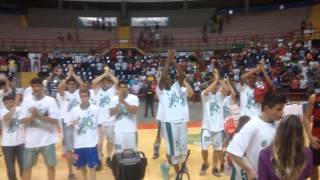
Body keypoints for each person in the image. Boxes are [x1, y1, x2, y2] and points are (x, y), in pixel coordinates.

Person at [226, 92, 286, 180]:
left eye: (282, 109)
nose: (282, 112)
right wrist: (249, 170)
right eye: (279, 109)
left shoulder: (278, 125)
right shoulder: (253, 125)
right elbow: (233, 150)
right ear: (266, 109)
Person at [20, 77, 60, 180]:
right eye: (33, 86)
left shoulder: (50, 101)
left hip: (47, 140)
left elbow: (55, 121)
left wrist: (38, 116)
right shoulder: (26, 101)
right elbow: (22, 121)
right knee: (26, 167)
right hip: (30, 141)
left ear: (42, 87)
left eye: (37, 86)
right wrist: (32, 117)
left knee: (51, 166)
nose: (35, 88)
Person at [157, 50, 188, 178]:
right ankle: (177, 174)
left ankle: (178, 168)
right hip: (170, 124)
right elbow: (163, 76)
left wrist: (173, 62)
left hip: (181, 121)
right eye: (166, 79)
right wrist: (167, 63)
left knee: (182, 150)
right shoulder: (160, 91)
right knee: (173, 152)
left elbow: (182, 75)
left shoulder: (176, 87)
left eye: (170, 79)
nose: (168, 80)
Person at [259, 115, 313, 180]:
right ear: (301, 134)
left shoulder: (265, 154)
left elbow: (262, 178)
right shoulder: (307, 153)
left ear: (279, 131)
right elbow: (307, 174)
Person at [199, 69, 229, 177]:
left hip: (218, 128)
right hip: (207, 127)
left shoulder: (219, 96)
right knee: (204, 148)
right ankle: (205, 163)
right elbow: (207, 91)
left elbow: (227, 90)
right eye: (213, 83)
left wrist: (219, 79)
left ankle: (215, 167)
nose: (215, 86)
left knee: (217, 149)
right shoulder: (204, 95)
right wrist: (215, 80)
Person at [57, 65, 85, 179]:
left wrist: (73, 74)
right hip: (68, 123)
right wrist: (68, 75)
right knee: (69, 148)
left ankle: (78, 163)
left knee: (79, 145)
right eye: (70, 84)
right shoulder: (63, 95)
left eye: (74, 84)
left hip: (78, 123)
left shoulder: (79, 93)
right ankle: (70, 172)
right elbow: (60, 86)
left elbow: (83, 85)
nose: (72, 85)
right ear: (67, 85)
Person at [68, 88, 102, 180]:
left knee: (92, 166)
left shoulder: (96, 109)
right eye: (81, 96)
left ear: (89, 96)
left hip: (91, 143)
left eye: (85, 96)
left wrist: (100, 140)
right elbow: (69, 124)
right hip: (78, 144)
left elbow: (99, 125)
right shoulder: (74, 110)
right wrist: (72, 123)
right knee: (82, 165)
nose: (83, 98)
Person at [92, 66, 118, 167]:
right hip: (99, 120)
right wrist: (104, 73)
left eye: (106, 81)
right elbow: (94, 82)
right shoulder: (97, 90)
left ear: (108, 82)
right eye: (102, 81)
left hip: (110, 119)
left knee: (110, 141)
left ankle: (108, 157)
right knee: (99, 141)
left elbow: (117, 82)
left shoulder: (112, 90)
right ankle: (98, 159)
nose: (104, 83)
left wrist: (109, 74)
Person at [109, 80, 139, 153]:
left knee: (131, 153)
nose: (123, 89)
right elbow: (111, 113)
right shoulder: (114, 99)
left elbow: (134, 111)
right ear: (118, 89)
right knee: (118, 152)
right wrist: (118, 103)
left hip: (131, 131)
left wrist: (123, 102)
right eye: (121, 87)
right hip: (118, 131)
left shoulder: (134, 98)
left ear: (127, 88)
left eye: (124, 87)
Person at [1, 95, 24, 180]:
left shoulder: (20, 109)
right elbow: (6, 118)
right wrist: (14, 107)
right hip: (7, 145)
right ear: (4, 104)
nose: (9, 104)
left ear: (13, 101)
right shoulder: (2, 111)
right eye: (6, 103)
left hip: (21, 143)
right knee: (10, 167)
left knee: (23, 165)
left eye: (10, 102)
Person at [303, 88, 320, 180]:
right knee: (313, 169)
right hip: (316, 140)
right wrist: (310, 137)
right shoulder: (314, 97)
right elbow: (306, 117)